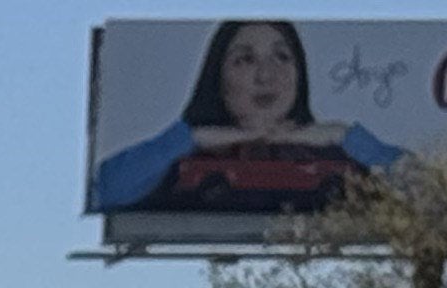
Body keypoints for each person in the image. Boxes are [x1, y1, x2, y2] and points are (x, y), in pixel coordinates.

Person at [93, 19, 402, 218]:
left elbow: (432, 192)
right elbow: (105, 189)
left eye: (282, 57)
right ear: (217, 75)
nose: (266, 76)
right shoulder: (181, 155)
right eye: (245, 59)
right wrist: (192, 138)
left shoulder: (338, 152)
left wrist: (347, 136)